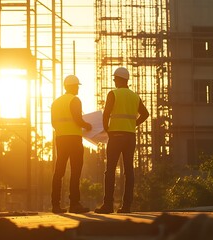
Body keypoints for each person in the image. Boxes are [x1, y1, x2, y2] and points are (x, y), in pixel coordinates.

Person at [94, 67, 149, 214]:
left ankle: (108, 205)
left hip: (116, 136)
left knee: (110, 170)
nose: (113, 80)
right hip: (130, 137)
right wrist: (133, 124)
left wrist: (107, 130)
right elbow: (145, 114)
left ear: (119, 79)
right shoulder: (134, 96)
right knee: (129, 170)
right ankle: (126, 206)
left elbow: (106, 115)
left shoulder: (113, 94)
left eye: (114, 78)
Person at [50, 75, 92, 214]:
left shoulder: (56, 102)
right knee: (75, 171)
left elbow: (53, 123)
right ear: (73, 86)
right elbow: (78, 119)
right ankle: (74, 204)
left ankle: (55, 205)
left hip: (60, 138)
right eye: (77, 86)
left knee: (59, 171)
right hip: (73, 139)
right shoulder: (75, 100)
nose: (78, 89)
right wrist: (87, 125)